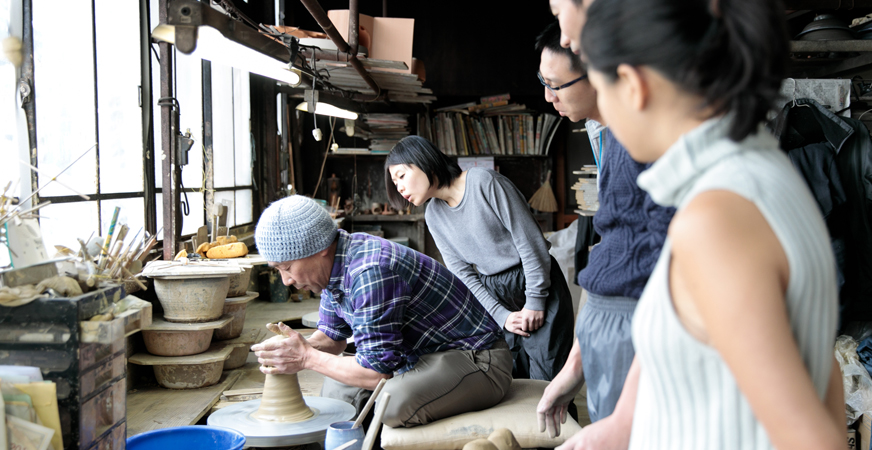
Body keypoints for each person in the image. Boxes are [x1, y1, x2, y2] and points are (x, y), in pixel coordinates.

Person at [558, 0, 847, 448]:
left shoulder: (717, 220)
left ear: (633, 86)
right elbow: (820, 375)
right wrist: (623, 427)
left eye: (599, 87)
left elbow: (811, 439)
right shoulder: (759, 174)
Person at [250, 195, 512, 428]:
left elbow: (375, 372)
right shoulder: (333, 266)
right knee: (336, 392)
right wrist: (293, 350)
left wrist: (306, 358)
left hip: (478, 360)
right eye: (278, 270)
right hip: (420, 358)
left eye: (287, 267)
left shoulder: (371, 270)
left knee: (392, 403)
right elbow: (333, 337)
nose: (285, 280)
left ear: (320, 250)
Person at [534, 20, 674, 426]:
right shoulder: (612, 137)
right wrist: (573, 368)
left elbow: (669, 266)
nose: (547, 96)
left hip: (635, 329)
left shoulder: (642, 138)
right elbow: (611, 256)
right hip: (607, 328)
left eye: (555, 84)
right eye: (541, 81)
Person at [384, 136, 575, 383]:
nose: (398, 187)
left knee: (550, 381)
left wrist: (536, 300)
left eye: (401, 175)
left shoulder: (484, 182)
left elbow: (530, 243)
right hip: (494, 292)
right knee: (512, 380)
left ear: (424, 162)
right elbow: (462, 274)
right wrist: (501, 315)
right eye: (394, 181)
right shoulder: (433, 214)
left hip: (535, 279)